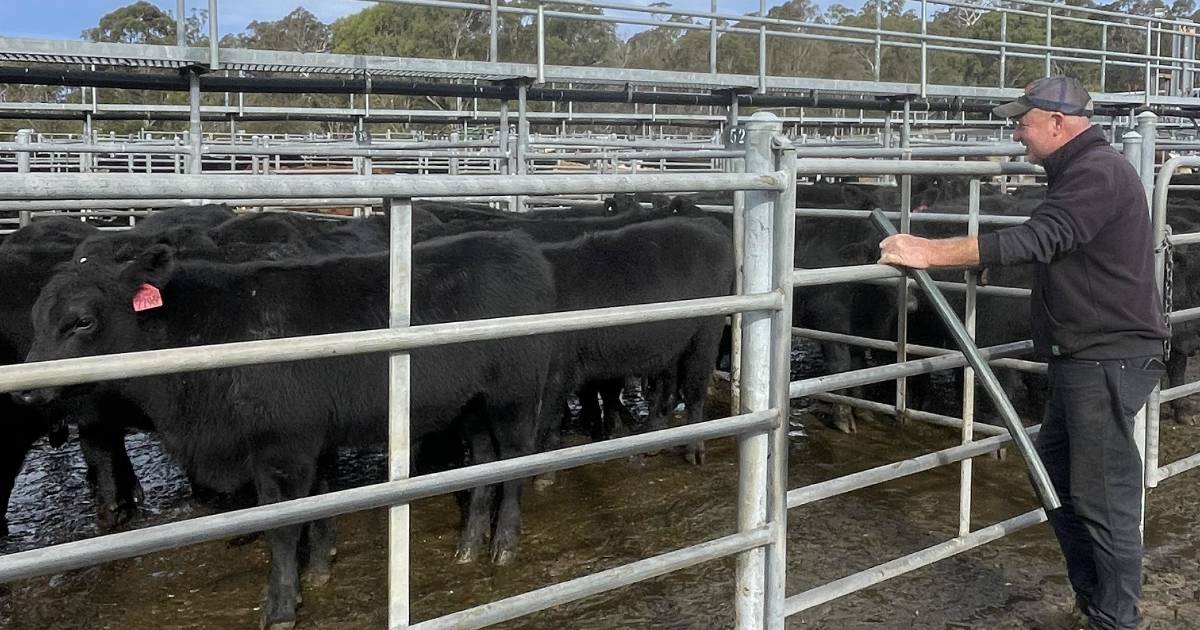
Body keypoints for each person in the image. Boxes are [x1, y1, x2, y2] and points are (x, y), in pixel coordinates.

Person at [878, 76, 1169, 630]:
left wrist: (932, 250)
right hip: (1090, 355)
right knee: (1055, 472)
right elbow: (1061, 242)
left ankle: (1116, 618)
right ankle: (1096, 600)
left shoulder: (1097, 172)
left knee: (1103, 495)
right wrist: (986, 259)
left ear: (1058, 124)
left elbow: (1044, 236)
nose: (1016, 132)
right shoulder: (1083, 172)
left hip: (1106, 357)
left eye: (1023, 121)